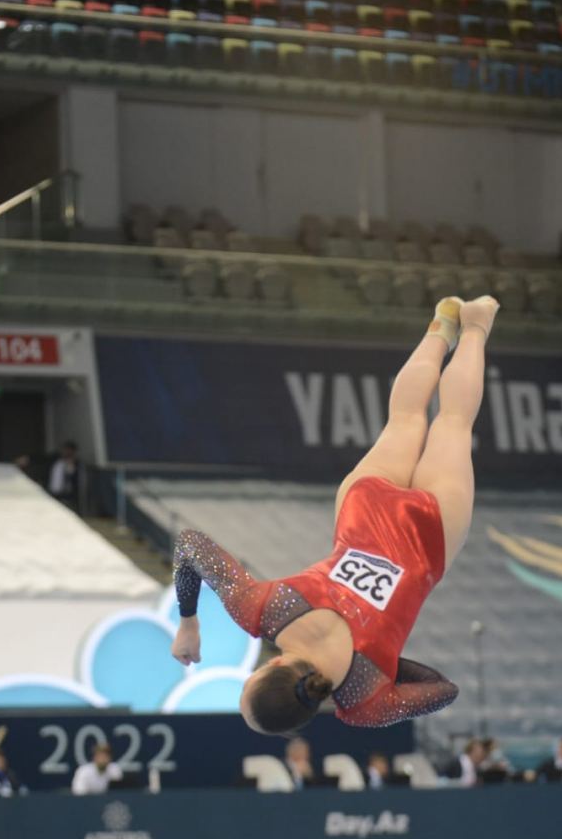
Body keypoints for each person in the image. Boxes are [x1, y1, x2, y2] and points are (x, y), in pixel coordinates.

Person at [171, 297, 501, 732]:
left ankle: (476, 325)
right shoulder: (264, 611)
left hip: (428, 535)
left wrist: (386, 661)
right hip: (364, 509)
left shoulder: (366, 700)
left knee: (454, 423)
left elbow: (442, 690)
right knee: (404, 419)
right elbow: (190, 544)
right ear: (271, 669)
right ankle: (441, 328)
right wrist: (188, 623)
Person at [48, 440, 80, 513]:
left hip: (65, 495)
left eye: (68, 451)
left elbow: (73, 478)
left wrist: (70, 464)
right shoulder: (55, 460)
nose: (65, 452)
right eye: (65, 450)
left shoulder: (75, 464)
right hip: (52, 493)